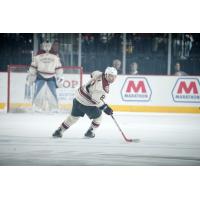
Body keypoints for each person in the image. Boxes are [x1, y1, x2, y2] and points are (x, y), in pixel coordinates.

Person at [52, 66, 118, 138]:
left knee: (73, 117)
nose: (112, 78)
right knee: (98, 117)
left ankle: (59, 131)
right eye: (110, 76)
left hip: (77, 98)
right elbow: (95, 100)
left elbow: (93, 73)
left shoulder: (99, 73)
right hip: (86, 103)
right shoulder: (102, 87)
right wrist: (105, 108)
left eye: (114, 76)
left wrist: (98, 76)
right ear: (106, 75)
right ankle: (90, 132)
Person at [26, 41, 64, 112]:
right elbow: (33, 68)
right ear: (43, 46)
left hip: (50, 76)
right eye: (45, 45)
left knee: (52, 92)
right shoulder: (38, 57)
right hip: (41, 76)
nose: (47, 47)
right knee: (38, 92)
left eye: (48, 45)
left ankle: (54, 107)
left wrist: (60, 76)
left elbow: (59, 68)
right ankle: (36, 107)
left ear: (50, 46)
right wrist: (31, 77)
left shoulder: (55, 57)